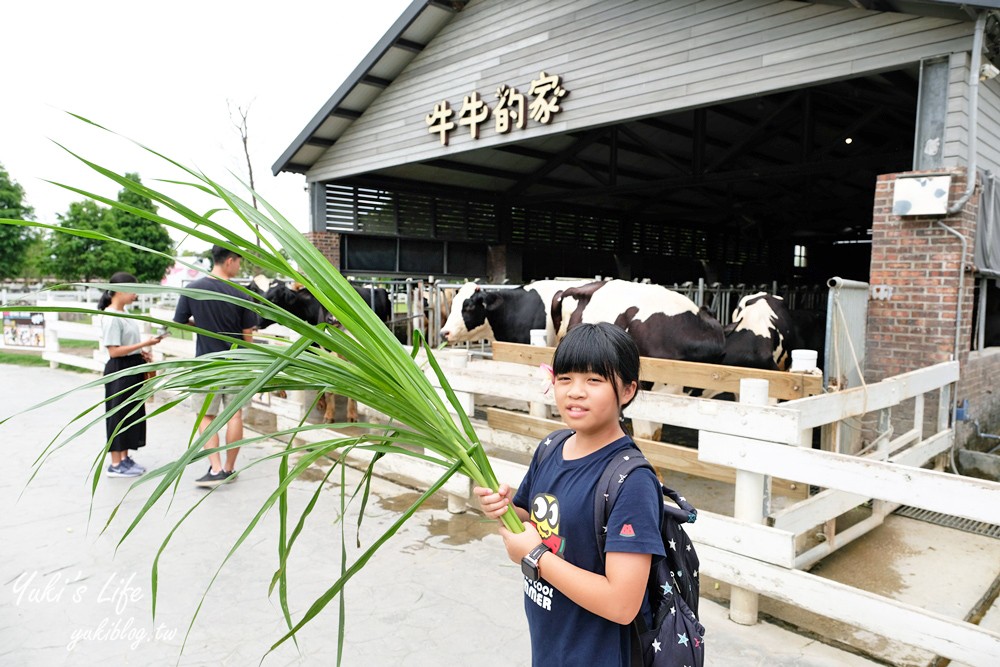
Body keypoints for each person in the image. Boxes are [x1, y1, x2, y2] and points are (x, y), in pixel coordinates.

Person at [474, 322, 665, 666]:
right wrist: (499, 506)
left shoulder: (631, 480)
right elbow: (528, 516)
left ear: (627, 390)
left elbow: (622, 605)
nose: (575, 392)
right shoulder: (551, 447)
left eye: (594, 380)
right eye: (565, 378)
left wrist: (535, 556)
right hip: (550, 645)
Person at [172, 245, 257, 488]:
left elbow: (180, 322)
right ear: (229, 261)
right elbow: (247, 334)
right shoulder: (241, 294)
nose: (239, 266)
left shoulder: (194, 289)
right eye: (239, 261)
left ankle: (216, 468)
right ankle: (230, 468)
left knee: (206, 416)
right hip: (236, 363)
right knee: (235, 415)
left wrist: (202, 322)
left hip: (206, 364)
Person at [99, 272, 163, 478]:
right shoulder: (111, 317)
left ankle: (124, 458)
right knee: (118, 415)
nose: (135, 294)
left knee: (129, 414)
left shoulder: (124, 314)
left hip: (132, 366)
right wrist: (145, 343)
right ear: (119, 290)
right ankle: (116, 464)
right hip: (120, 369)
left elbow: (126, 346)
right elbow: (114, 351)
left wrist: (140, 352)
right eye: (132, 290)